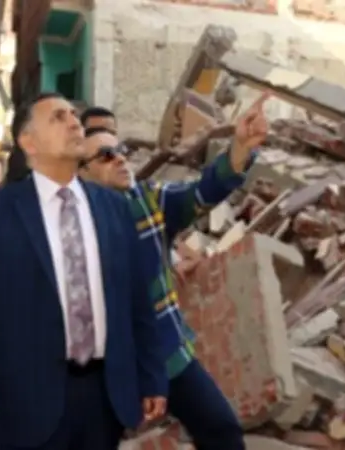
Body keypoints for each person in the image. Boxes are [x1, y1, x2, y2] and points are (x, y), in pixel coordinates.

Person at [0, 92, 167, 450]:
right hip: (27, 403)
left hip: (105, 397)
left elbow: (137, 303)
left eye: (74, 115)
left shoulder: (114, 208)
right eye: (58, 117)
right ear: (28, 142)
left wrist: (152, 376)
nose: (74, 123)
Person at [78, 94, 269, 450]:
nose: (120, 158)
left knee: (222, 430)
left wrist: (241, 147)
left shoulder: (148, 201)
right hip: (107, 367)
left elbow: (202, 193)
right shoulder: (71, 229)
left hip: (166, 353)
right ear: (81, 173)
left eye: (121, 150)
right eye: (105, 155)